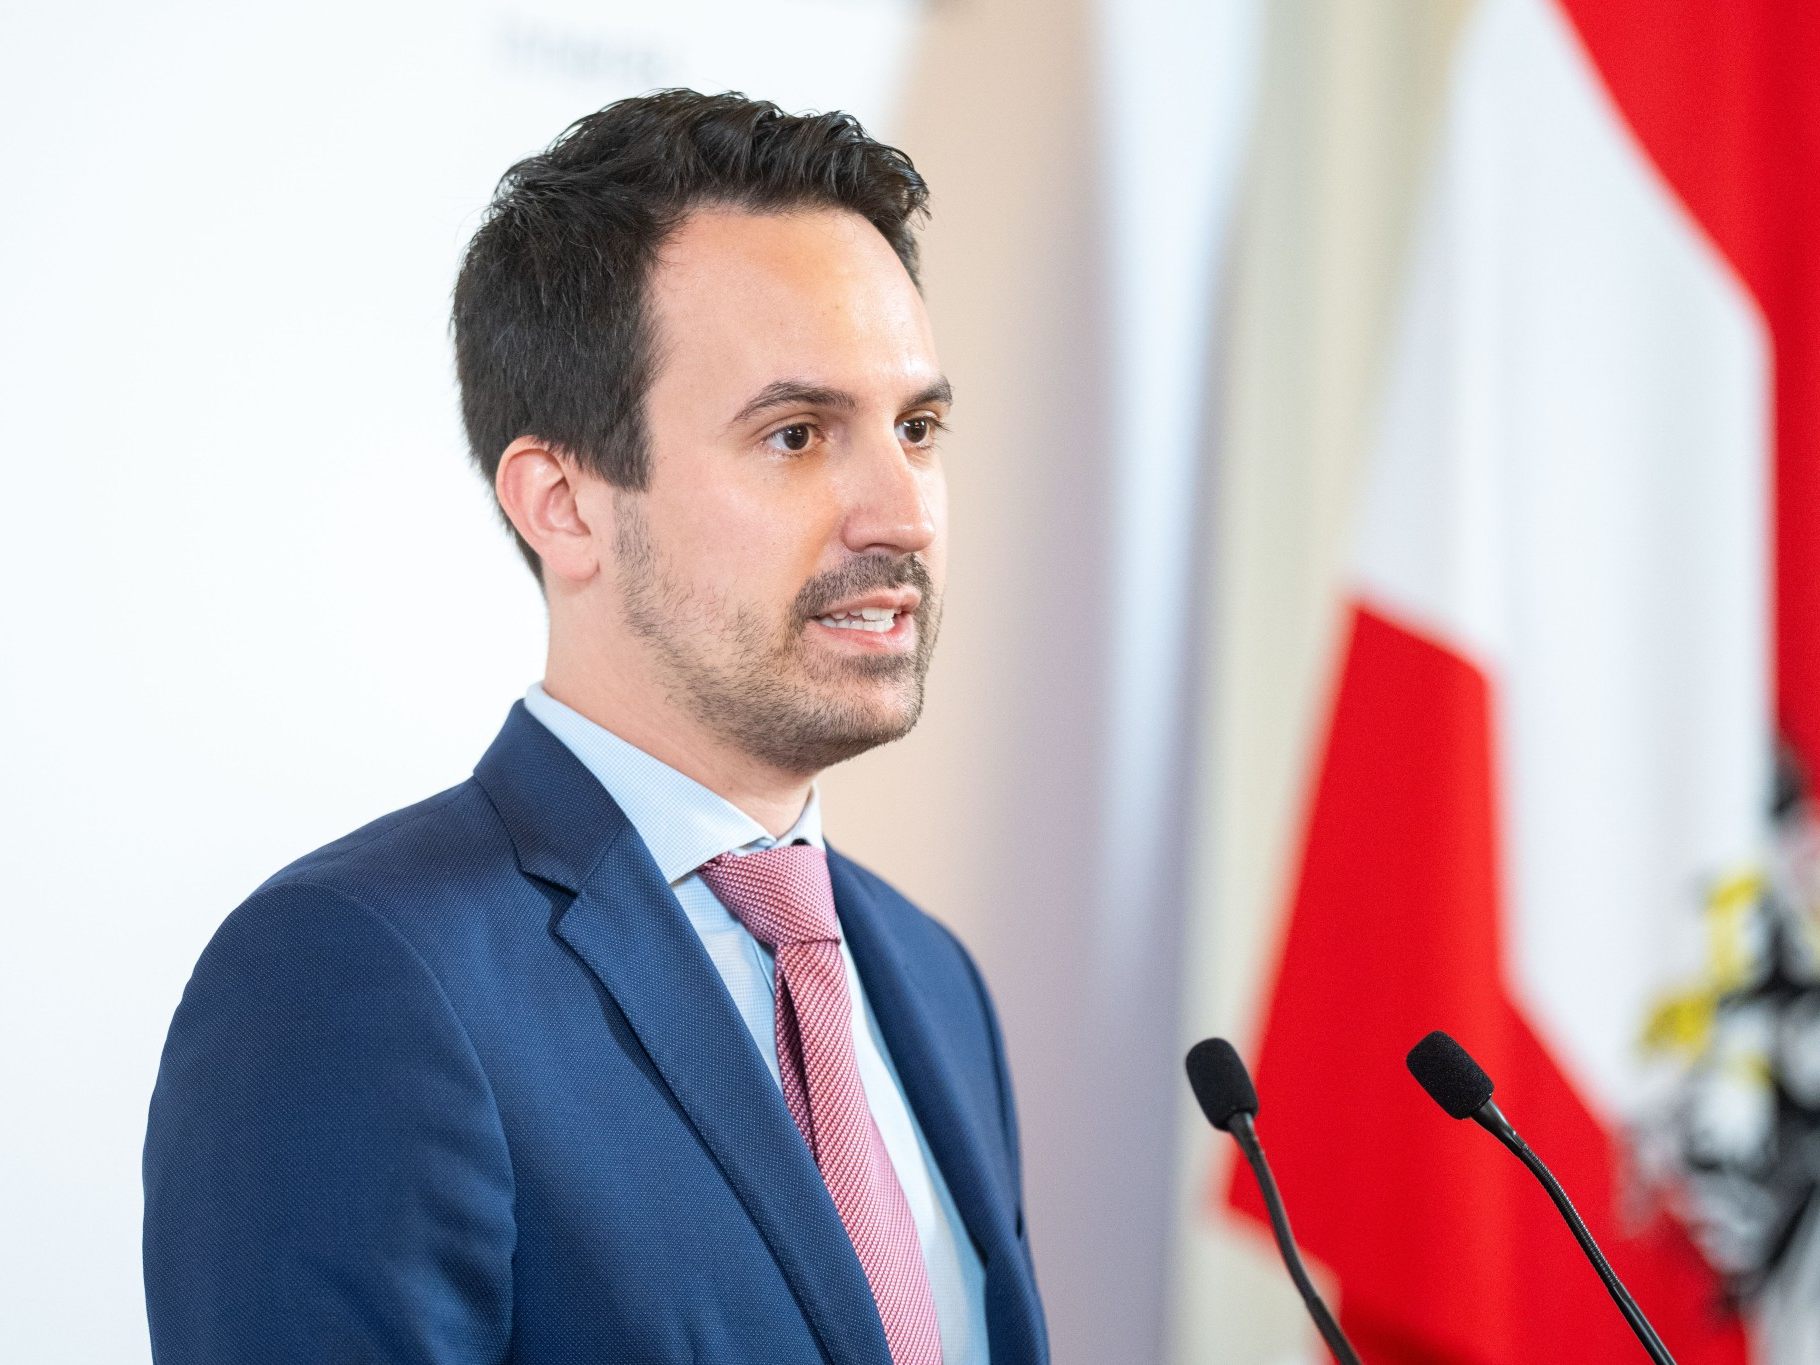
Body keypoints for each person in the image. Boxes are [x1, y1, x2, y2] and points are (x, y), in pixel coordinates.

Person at [141, 89, 1048, 1365]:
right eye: (796, 435)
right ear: (562, 504)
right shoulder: (345, 980)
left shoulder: (933, 980)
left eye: (916, 428)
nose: (900, 514)